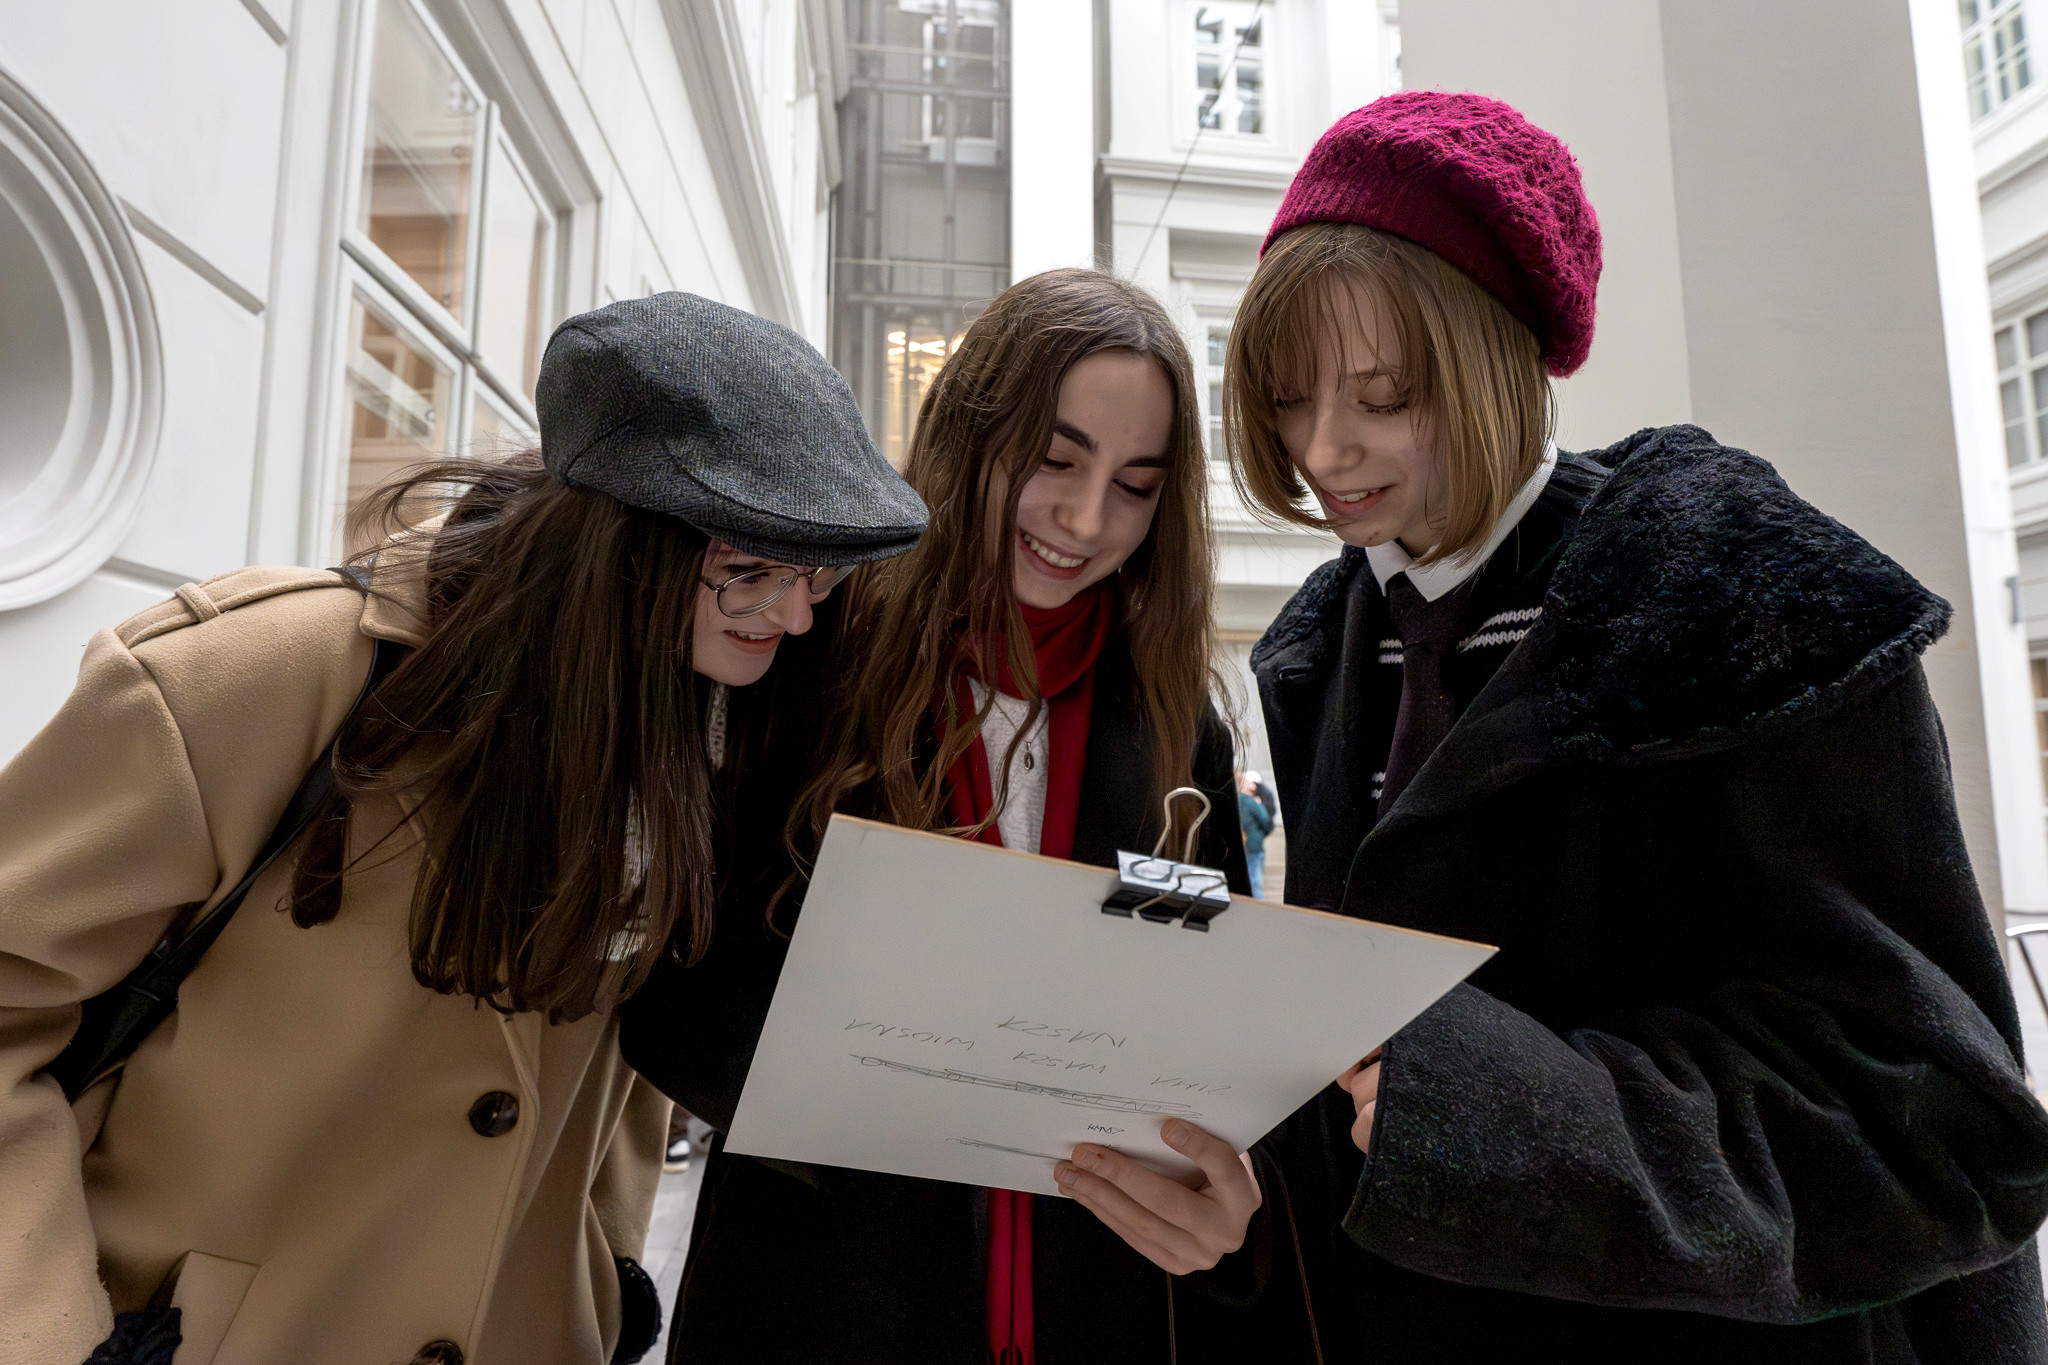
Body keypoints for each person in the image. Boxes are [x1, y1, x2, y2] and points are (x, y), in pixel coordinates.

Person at [1225, 92, 2048, 1362]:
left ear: (1499, 360)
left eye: (1383, 396)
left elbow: (1939, 1130)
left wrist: (1499, 1120)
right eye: (1285, 400)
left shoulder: (1750, 604)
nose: (1323, 451)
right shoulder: (1322, 648)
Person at [0, 292, 924, 1365]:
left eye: (817, 573)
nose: (797, 614)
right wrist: (49, 1340)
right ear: (613, 545)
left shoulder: (701, 726)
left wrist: (605, 1271)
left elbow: (622, 1046)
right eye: (751, 571)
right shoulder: (260, 679)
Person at [621, 269, 1264, 1364]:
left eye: (1134, 485)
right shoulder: (802, 654)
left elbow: (1213, 1015)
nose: (1085, 519)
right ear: (969, 436)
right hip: (826, 1298)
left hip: (1094, 1305)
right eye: (1053, 460)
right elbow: (670, 993)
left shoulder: (1173, 723)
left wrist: (1221, 1188)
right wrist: (916, 1080)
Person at [1237, 769, 1274, 899]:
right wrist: (1259, 804)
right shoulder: (1250, 801)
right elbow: (1266, 819)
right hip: (1253, 846)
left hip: (1245, 845)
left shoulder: (1238, 800)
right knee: (1256, 881)